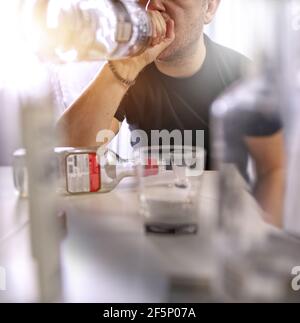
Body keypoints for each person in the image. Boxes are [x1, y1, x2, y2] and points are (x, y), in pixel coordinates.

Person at [57, 0, 285, 227]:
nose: (153, 5)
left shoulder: (242, 76)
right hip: (153, 222)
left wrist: (261, 240)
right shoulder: (129, 71)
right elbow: (64, 154)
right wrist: (123, 68)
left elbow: (272, 169)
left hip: (221, 227)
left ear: (210, 7)